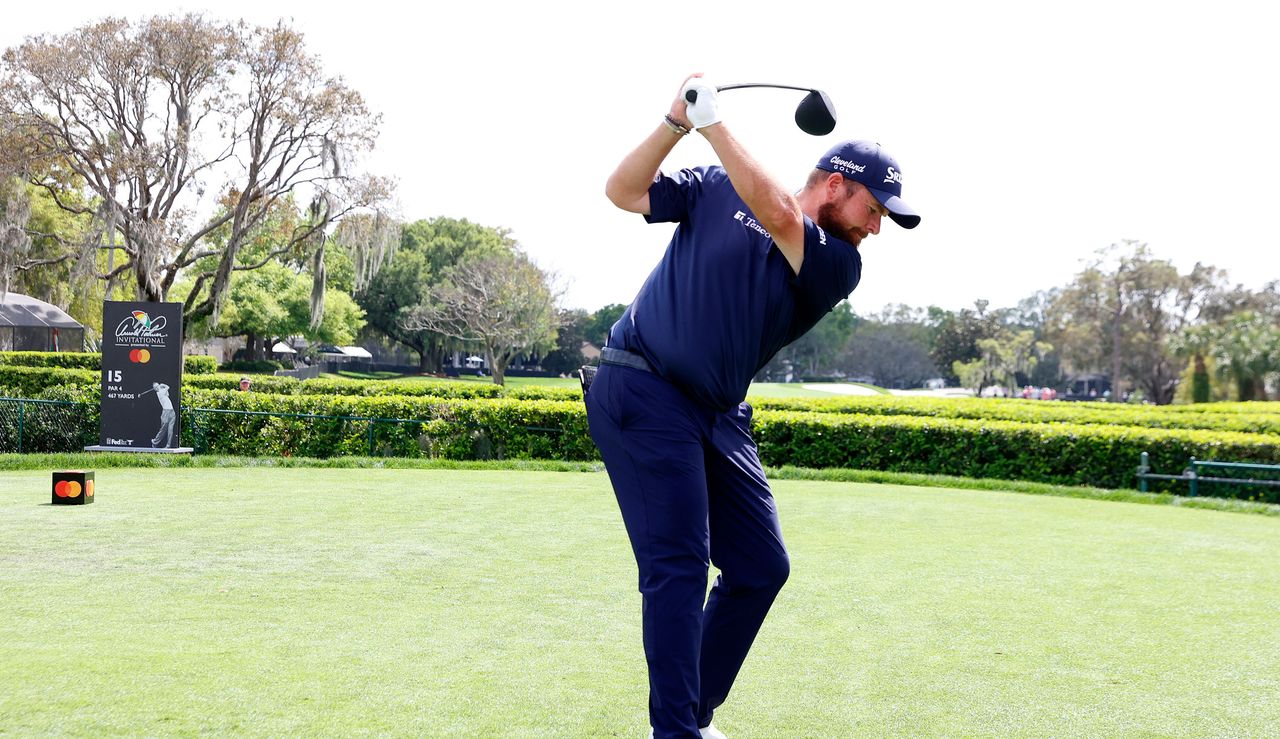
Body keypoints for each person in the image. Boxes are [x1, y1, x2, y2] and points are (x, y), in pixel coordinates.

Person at [585, 75, 920, 738]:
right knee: (678, 567)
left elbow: (777, 214)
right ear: (834, 182)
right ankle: (676, 730)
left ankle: (694, 712)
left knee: (761, 567)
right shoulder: (713, 186)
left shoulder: (837, 262)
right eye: (875, 208)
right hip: (642, 386)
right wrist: (675, 123)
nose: (878, 226)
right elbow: (621, 191)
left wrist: (712, 123)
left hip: (716, 411)